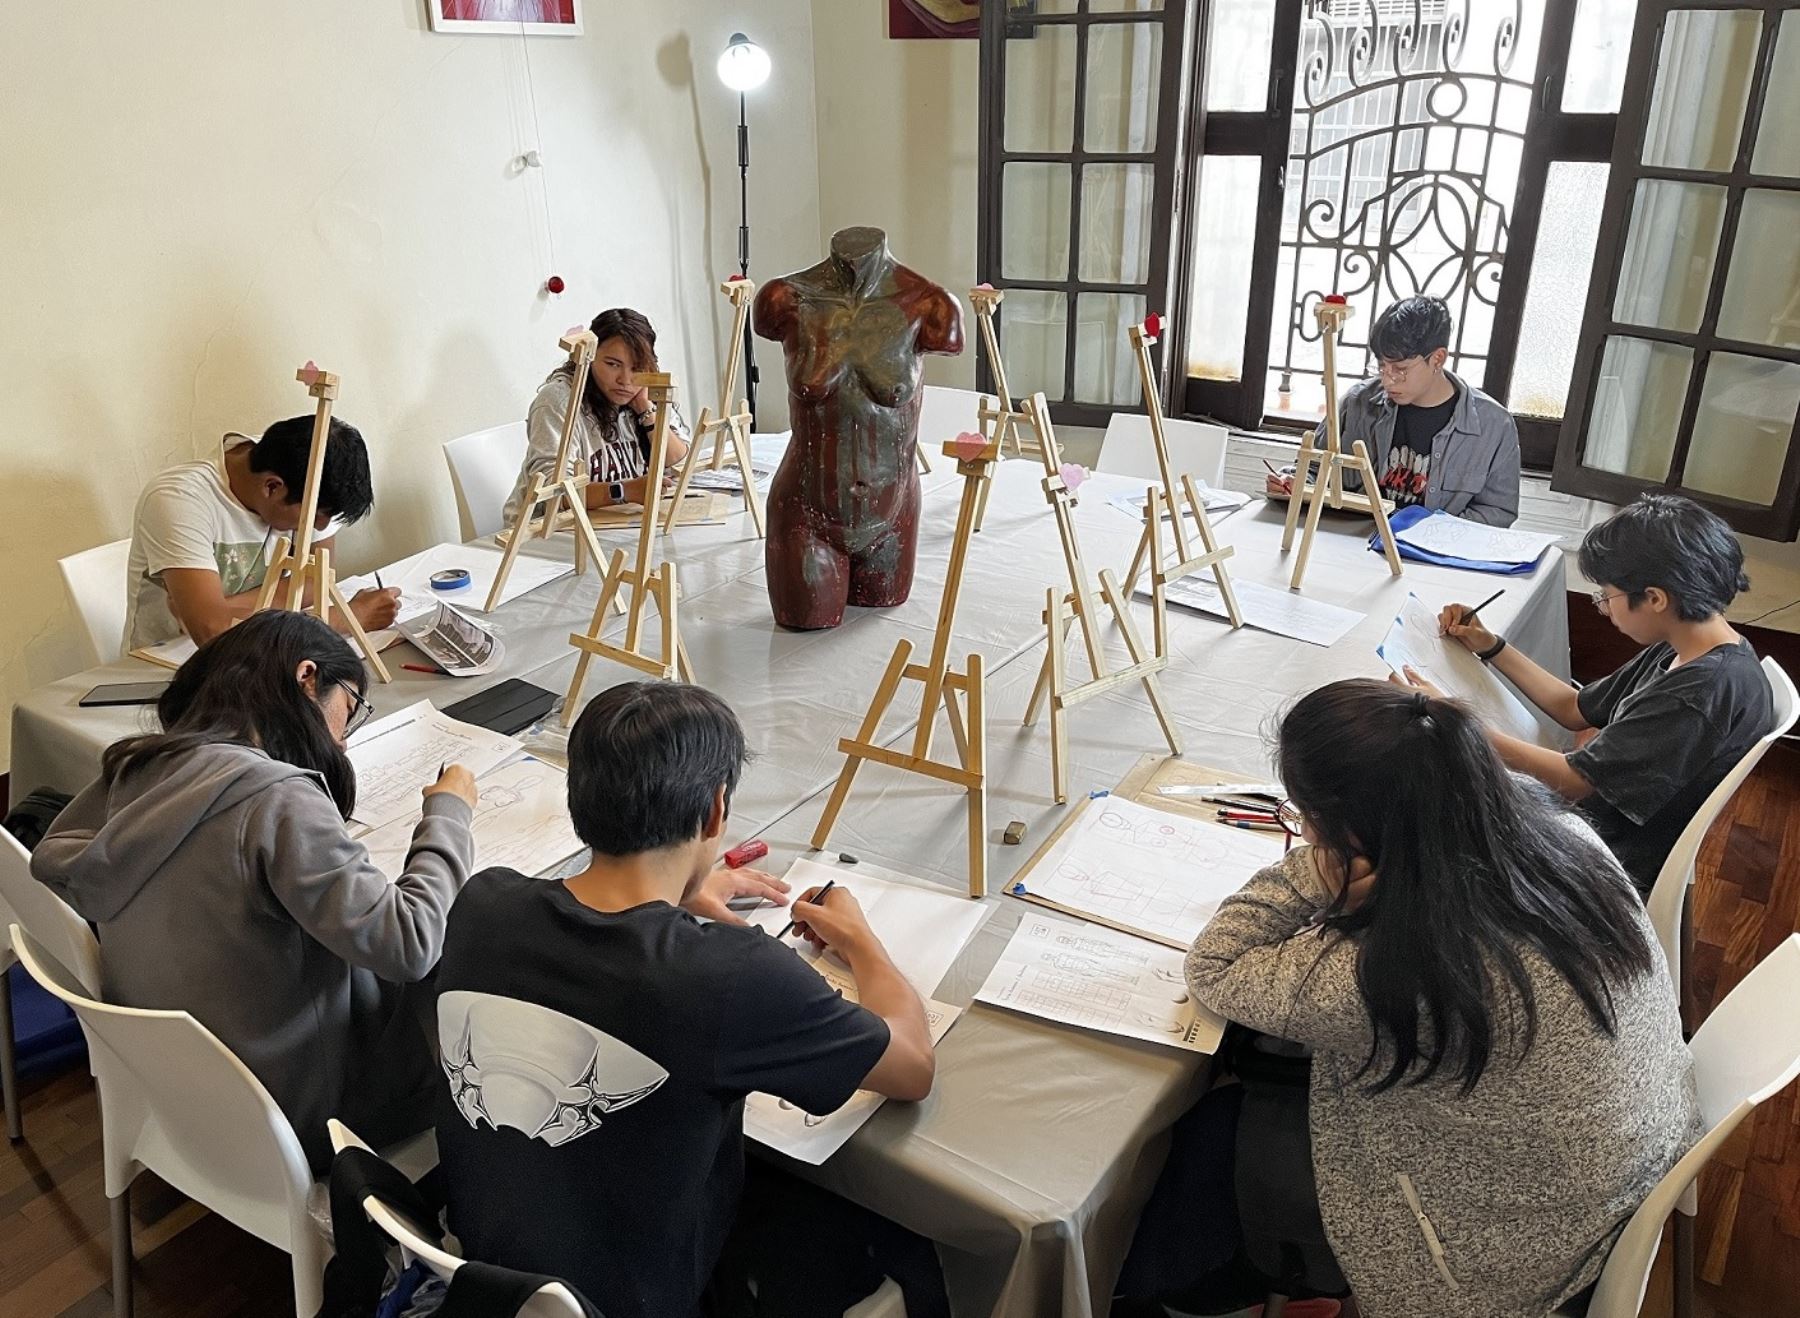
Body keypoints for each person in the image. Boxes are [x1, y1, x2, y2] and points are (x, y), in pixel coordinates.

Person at [1155, 679, 1699, 1317]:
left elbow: (1217, 967)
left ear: (1351, 831)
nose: (1300, 830)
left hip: (1504, 1258)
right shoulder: (1566, 843)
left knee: (1202, 1151)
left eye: (1302, 817)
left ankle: (1197, 1289)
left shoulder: (1404, 968)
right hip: (1621, 1169)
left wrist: (1313, 872)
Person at [431, 681, 937, 1318]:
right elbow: (911, 1066)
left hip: (492, 1280)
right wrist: (863, 943)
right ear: (716, 812)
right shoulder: (731, 975)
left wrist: (676, 895)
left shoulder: (484, 904)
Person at [32, 611, 476, 1171]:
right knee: (474, 955)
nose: (341, 736)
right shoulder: (276, 800)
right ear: (307, 677)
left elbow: (59, 854)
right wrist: (449, 814)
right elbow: (409, 945)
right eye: (350, 710)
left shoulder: (139, 766)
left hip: (187, 1095)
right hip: (305, 1112)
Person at [1420, 492, 1774, 894]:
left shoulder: (1699, 692)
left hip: (1602, 856)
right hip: (1595, 826)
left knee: (1433, 809)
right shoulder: (1690, 643)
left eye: (1606, 596)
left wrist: (1455, 719)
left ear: (1655, 598)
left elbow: (1573, 781)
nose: (1603, 607)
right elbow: (1573, 708)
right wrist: (1491, 645)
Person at [122, 416, 401, 652]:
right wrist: (342, 619)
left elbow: (316, 580)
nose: (319, 528)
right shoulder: (179, 500)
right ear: (272, 487)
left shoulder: (309, 469)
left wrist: (223, 608)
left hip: (257, 655)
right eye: (315, 517)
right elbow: (212, 634)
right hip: (173, 666)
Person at [1265, 296, 1520, 526]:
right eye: (1381, 366)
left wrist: (1428, 530)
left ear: (1438, 358)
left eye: (1400, 369)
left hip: (1434, 563)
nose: (1388, 381)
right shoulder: (1358, 403)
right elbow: (1312, 469)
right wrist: (1291, 482)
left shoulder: (1493, 425)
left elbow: (1497, 513)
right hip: (1352, 547)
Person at [502, 306, 691, 523]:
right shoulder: (560, 400)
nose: (625, 380)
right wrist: (624, 491)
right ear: (591, 358)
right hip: (546, 534)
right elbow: (552, 493)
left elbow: (681, 466)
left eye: (637, 368)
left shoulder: (646, 391)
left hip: (614, 526)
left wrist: (646, 410)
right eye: (613, 364)